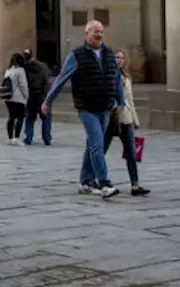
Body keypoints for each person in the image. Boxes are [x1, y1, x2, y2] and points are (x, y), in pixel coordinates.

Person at [43, 20, 126, 199]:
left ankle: (86, 181)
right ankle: (104, 183)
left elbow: (116, 77)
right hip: (87, 108)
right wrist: (48, 101)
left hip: (105, 107)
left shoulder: (109, 53)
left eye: (102, 32)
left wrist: (121, 100)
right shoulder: (77, 55)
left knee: (92, 145)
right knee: (97, 144)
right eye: (96, 32)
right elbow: (61, 79)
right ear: (87, 33)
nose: (99, 35)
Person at [102, 49, 150, 196]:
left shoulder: (126, 78)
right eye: (117, 57)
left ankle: (135, 184)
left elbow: (130, 101)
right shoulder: (108, 75)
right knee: (101, 149)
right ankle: (96, 179)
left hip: (126, 117)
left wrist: (135, 120)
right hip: (112, 117)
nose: (119, 60)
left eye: (122, 58)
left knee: (131, 151)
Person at [22, 48, 52, 145]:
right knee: (45, 117)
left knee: (30, 117)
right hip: (41, 94)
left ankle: (29, 137)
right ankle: (46, 137)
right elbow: (47, 82)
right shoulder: (43, 66)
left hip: (32, 95)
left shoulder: (24, 68)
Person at [1, 53, 29, 146]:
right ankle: (16, 137)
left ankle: (9, 138)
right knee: (20, 117)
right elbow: (23, 85)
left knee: (11, 117)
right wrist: (26, 96)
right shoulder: (20, 70)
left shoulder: (8, 70)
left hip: (8, 97)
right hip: (18, 97)